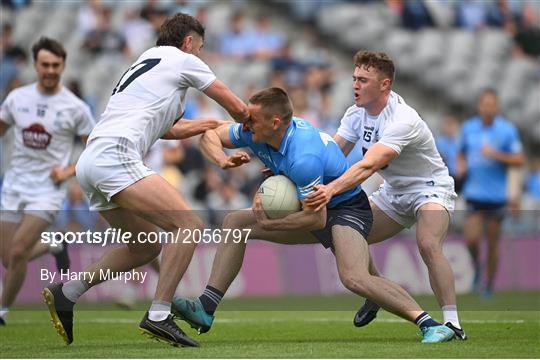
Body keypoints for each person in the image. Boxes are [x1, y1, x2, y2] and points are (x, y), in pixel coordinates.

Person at [172, 87, 455, 344]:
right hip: (314, 204)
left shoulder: (303, 158)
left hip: (347, 209)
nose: (245, 124)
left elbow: (316, 221)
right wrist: (222, 160)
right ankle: (206, 308)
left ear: (275, 123)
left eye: (252, 120)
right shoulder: (254, 131)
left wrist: (272, 223)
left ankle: (429, 324)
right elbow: (210, 134)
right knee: (234, 222)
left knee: (354, 277)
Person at [42, 13, 249, 347]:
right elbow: (237, 107)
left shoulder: (146, 61)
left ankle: (67, 292)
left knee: (147, 245)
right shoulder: (184, 60)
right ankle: (159, 315)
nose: (200, 54)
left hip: (91, 162)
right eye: (200, 47)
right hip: (116, 155)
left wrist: (206, 124)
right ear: (188, 42)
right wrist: (252, 124)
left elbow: (166, 128)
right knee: (190, 224)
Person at [304, 51, 467, 340]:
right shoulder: (355, 113)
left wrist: (330, 189)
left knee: (428, 244)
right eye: (354, 78)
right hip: (393, 192)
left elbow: (368, 165)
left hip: (429, 188)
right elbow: (333, 154)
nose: (355, 84)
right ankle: (375, 290)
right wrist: (298, 172)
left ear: (385, 85)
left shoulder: (404, 120)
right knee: (349, 232)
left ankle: (453, 322)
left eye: (363, 80)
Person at [0, 37, 95, 326]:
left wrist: (67, 173)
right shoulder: (17, 99)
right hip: (14, 185)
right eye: (45, 65)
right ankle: (55, 243)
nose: (50, 70)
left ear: (63, 65)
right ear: (35, 65)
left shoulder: (75, 107)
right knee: (8, 259)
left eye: (56, 65)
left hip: (48, 189)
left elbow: (95, 150)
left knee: (18, 252)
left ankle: (1, 311)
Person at [457, 88, 524, 298]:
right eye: (485, 103)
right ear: (479, 106)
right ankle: (477, 266)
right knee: (471, 239)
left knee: (493, 242)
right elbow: (461, 152)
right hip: (474, 193)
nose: (488, 107)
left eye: (492, 104)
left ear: (497, 107)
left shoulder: (507, 130)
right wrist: (462, 165)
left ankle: (489, 285)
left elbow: (518, 160)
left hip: (496, 196)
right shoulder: (469, 128)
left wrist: (495, 154)